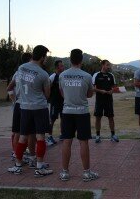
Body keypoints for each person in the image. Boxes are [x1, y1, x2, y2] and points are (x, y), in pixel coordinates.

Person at [8, 45, 53, 177]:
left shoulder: (21, 68)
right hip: (39, 108)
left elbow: (15, 86)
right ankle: (39, 167)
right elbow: (47, 95)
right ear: (43, 56)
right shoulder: (43, 74)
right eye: (46, 57)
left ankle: (17, 165)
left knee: (22, 137)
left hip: (24, 107)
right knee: (40, 137)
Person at [59, 49, 98, 182]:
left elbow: (62, 92)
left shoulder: (62, 75)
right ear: (81, 60)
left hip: (67, 112)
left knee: (66, 141)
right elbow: (90, 94)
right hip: (82, 112)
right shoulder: (87, 76)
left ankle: (65, 172)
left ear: (70, 60)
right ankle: (86, 173)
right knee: (83, 142)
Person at [7, 53, 35, 161]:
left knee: (19, 132)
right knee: (25, 132)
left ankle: (17, 153)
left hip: (19, 104)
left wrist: (14, 99)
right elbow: (10, 88)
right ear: (29, 60)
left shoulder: (17, 73)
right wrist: (14, 99)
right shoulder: (31, 73)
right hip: (25, 105)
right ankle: (20, 154)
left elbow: (9, 88)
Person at [92, 60, 119, 143]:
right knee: (98, 118)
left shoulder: (111, 75)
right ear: (102, 65)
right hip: (99, 100)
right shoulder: (96, 75)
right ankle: (97, 135)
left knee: (111, 117)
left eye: (109, 65)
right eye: (107, 65)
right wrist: (100, 91)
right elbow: (92, 88)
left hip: (109, 100)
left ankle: (113, 135)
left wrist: (112, 91)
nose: (109, 67)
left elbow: (114, 87)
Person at [47, 60, 65, 145]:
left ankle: (62, 135)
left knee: (63, 118)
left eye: (63, 65)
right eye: (61, 66)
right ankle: (49, 137)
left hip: (63, 102)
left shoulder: (64, 76)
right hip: (54, 102)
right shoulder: (53, 77)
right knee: (52, 119)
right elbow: (47, 87)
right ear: (57, 67)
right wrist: (48, 98)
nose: (63, 67)